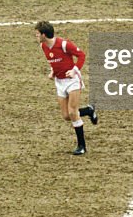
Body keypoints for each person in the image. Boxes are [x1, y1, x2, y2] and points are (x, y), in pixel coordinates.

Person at [35, 21, 98, 155]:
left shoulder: (64, 44)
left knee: (72, 112)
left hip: (72, 81)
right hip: (59, 82)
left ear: (44, 35)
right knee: (66, 115)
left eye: (37, 34)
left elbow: (81, 55)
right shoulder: (43, 46)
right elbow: (54, 61)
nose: (36, 36)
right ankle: (88, 110)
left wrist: (75, 70)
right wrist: (53, 71)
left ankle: (82, 146)